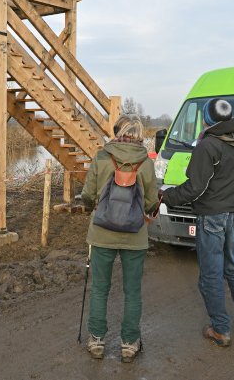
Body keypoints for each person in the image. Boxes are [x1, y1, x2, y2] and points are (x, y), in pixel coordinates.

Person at [162, 98, 234, 347]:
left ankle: (220, 329)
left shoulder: (208, 145)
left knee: (211, 275)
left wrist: (166, 196)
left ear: (208, 120)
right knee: (233, 267)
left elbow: (195, 189)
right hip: (233, 216)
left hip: (211, 216)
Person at [81, 114, 159, 363]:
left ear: (117, 132)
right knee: (132, 291)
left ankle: (96, 341)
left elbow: (88, 195)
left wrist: (90, 206)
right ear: (139, 135)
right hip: (134, 236)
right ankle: (129, 344)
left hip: (102, 233)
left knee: (100, 289)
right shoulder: (146, 163)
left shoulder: (102, 157)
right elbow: (150, 202)